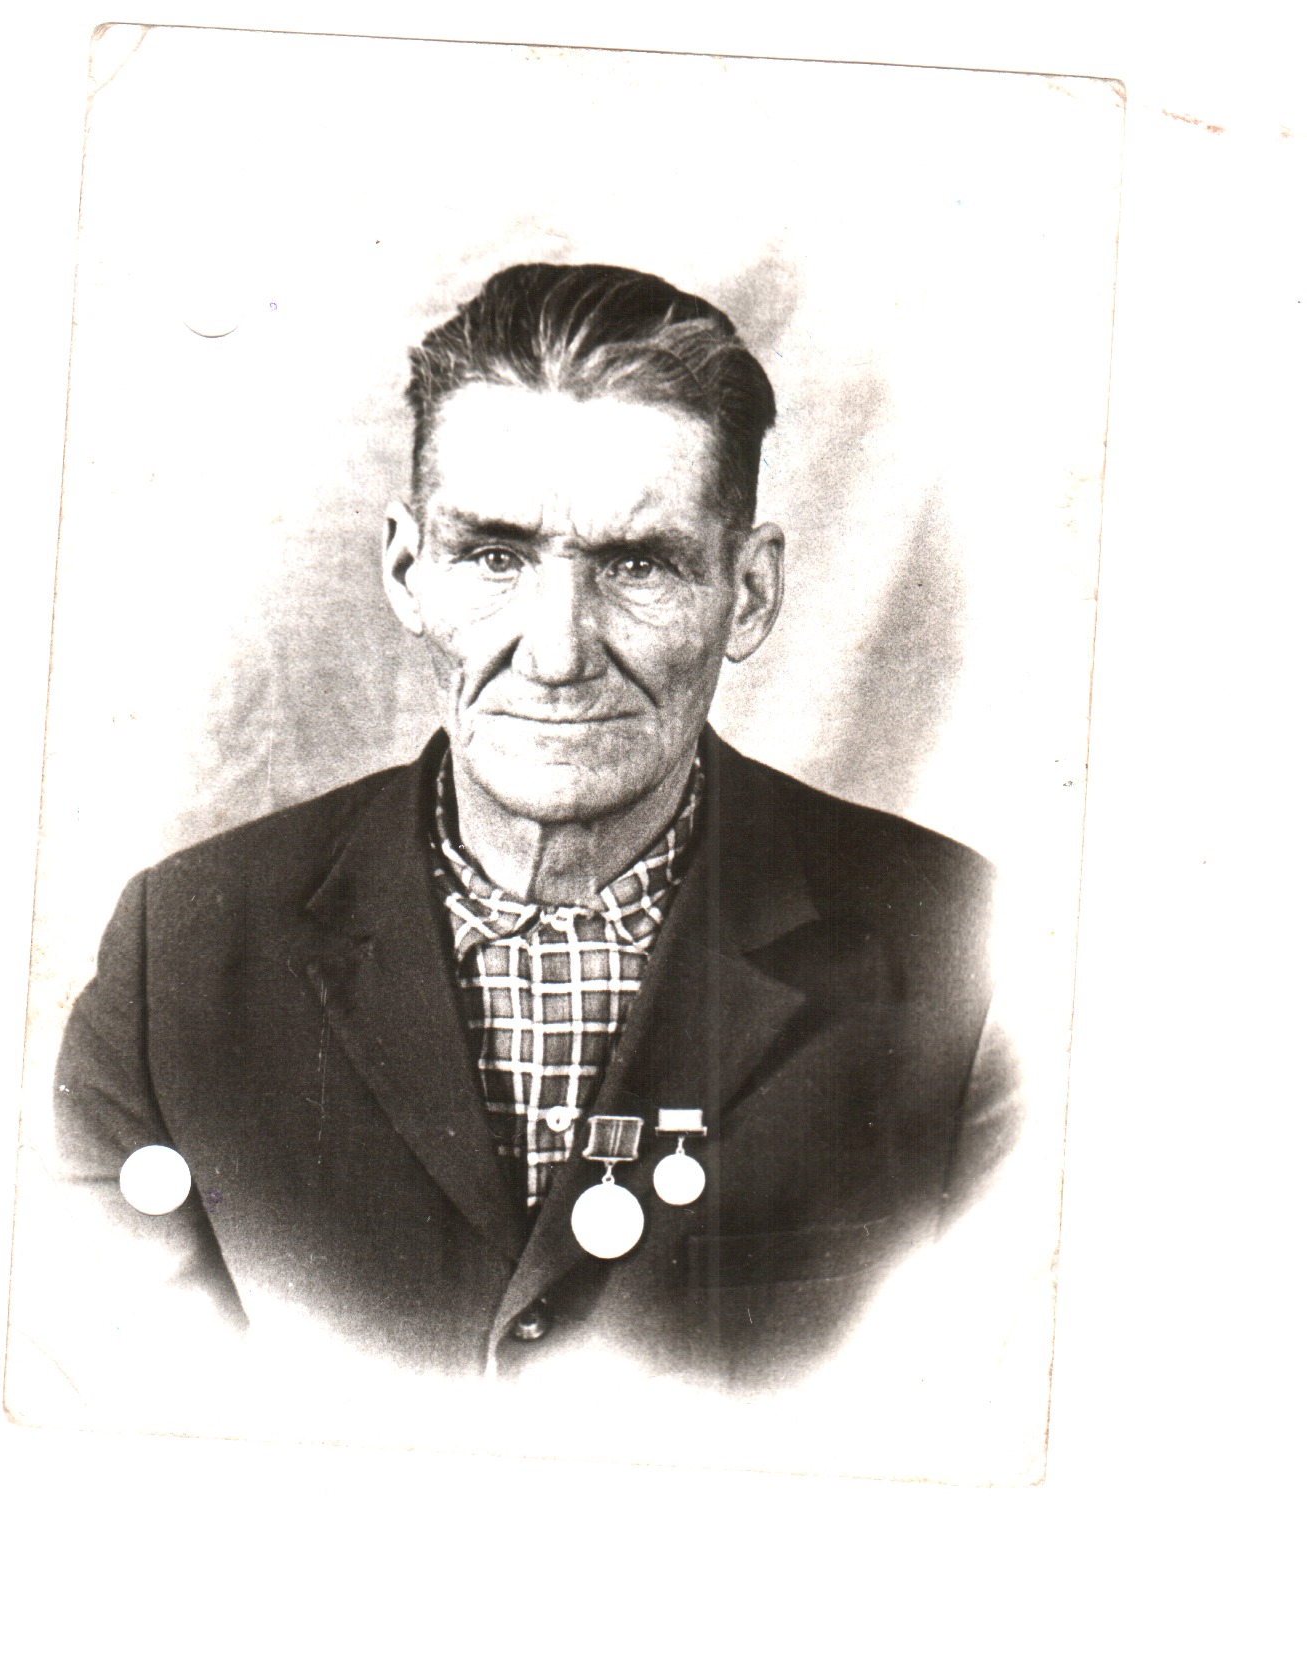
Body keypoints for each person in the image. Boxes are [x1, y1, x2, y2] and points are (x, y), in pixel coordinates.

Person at [52, 263, 1012, 1393]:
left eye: (638, 565)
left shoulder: (972, 957)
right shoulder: (178, 956)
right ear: (407, 570)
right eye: (496, 556)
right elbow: (130, 1407)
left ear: (748, 594)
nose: (556, 653)